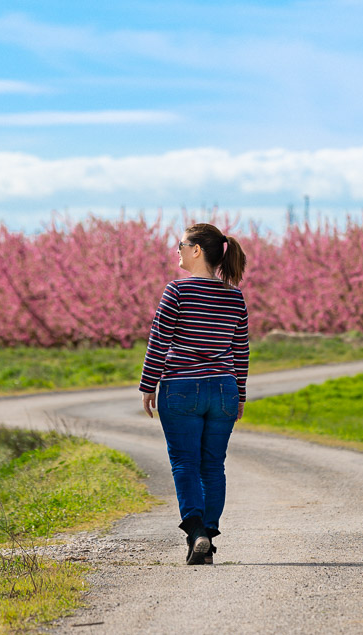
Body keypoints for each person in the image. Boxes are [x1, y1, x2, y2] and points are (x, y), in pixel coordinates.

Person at [138, 222, 249, 565]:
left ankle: (196, 531)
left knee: (185, 463)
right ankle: (207, 539)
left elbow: (159, 341)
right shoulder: (235, 296)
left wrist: (147, 384)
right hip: (223, 390)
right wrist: (240, 394)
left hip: (181, 387)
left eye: (182, 245)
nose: (178, 251)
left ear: (197, 250)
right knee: (213, 466)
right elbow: (240, 349)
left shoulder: (177, 291)